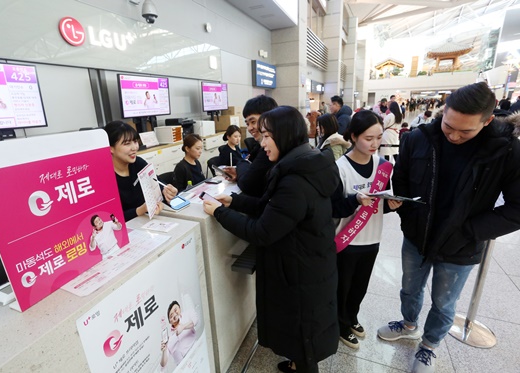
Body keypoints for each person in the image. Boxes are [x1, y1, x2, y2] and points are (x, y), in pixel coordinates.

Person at [377, 82, 520, 373]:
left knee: (444, 302)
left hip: (461, 244)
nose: (454, 135)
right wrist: (407, 216)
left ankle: (429, 346)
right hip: (418, 234)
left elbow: (517, 208)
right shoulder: (419, 138)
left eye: (465, 131)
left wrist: (472, 231)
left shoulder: (505, 151)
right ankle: (408, 324)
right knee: (409, 288)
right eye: (448, 125)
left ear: (488, 121)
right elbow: (401, 177)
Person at [203, 106, 340, 373]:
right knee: (302, 330)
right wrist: (234, 200)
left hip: (301, 271)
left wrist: (219, 212)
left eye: (266, 135)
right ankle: (297, 362)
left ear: (285, 135)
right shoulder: (302, 164)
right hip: (306, 262)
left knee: (304, 333)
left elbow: (262, 231)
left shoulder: (294, 180)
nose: (261, 142)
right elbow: (273, 208)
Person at [332, 110, 402, 349]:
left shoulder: (382, 166)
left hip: (372, 239)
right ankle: (340, 325)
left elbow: (379, 206)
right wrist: (355, 200)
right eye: (368, 138)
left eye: (379, 137)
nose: (375, 143)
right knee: (343, 287)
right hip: (347, 240)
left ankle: (352, 318)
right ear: (353, 136)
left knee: (360, 286)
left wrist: (391, 206)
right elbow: (333, 208)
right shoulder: (339, 167)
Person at [104, 121, 177, 222]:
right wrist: (139, 210)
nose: (134, 148)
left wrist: (166, 191)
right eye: (127, 144)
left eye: (135, 141)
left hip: (147, 220)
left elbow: (157, 182)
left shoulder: (138, 163)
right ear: (110, 148)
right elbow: (109, 218)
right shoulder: (105, 177)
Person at [223, 95, 278, 197]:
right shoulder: (260, 146)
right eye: (247, 124)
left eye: (253, 122)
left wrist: (242, 165)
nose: (250, 128)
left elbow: (247, 183)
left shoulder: (272, 150)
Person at [160, 300, 198, 367]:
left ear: (179, 308)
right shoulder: (170, 339)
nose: (174, 314)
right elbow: (163, 364)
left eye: (175, 310)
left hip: (196, 354)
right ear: (169, 322)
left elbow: (195, 321)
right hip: (184, 368)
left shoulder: (187, 314)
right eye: (171, 316)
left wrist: (183, 327)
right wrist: (164, 350)